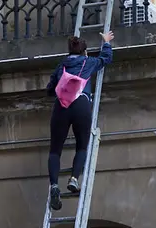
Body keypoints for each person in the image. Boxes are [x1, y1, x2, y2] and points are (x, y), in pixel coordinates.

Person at [45, 31, 114, 211]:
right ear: (84, 52)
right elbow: (106, 58)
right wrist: (106, 42)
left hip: (62, 106)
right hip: (81, 104)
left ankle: (54, 186)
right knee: (82, 146)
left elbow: (50, 89)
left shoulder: (62, 65)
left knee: (55, 150)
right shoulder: (88, 62)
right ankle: (74, 179)